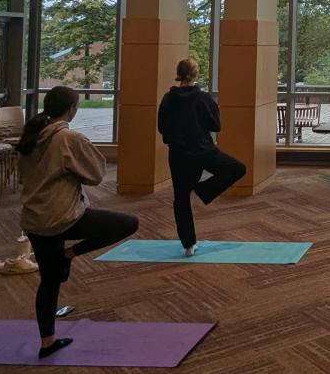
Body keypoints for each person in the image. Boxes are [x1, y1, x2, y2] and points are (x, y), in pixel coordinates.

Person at [16, 86, 139, 358]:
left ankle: (47, 342)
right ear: (72, 109)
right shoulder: (68, 139)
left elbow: (24, 176)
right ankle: (70, 253)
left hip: (34, 220)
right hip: (64, 217)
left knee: (50, 281)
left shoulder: (31, 138)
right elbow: (95, 174)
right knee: (128, 223)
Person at [158, 58, 246, 256]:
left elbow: (162, 127)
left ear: (179, 73)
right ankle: (203, 191)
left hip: (178, 154)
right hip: (204, 151)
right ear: (195, 74)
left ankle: (188, 245)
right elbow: (216, 125)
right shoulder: (203, 98)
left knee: (181, 199)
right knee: (237, 169)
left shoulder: (168, 99)